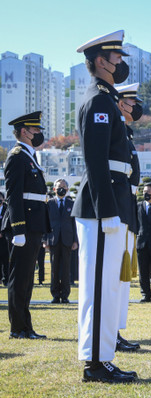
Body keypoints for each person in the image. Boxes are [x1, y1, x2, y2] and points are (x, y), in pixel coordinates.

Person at [72, 30, 137, 383]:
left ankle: (103, 355)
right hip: (101, 207)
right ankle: (95, 362)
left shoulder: (107, 99)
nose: (121, 63)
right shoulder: (98, 100)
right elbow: (95, 160)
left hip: (112, 201)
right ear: (101, 60)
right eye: (117, 57)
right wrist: (107, 210)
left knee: (109, 285)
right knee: (98, 286)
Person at [2, 111, 51, 340]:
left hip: (33, 225)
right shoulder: (16, 156)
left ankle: (26, 326)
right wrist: (19, 229)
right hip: (23, 227)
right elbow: (13, 196)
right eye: (36, 130)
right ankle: (18, 328)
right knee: (19, 278)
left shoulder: (29, 156)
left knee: (27, 279)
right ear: (24, 131)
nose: (40, 133)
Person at [114, 81, 143, 352]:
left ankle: (116, 331)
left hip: (127, 208)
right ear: (121, 104)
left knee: (124, 278)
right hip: (119, 208)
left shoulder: (127, 134)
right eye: (132, 102)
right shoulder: (116, 133)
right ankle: (110, 332)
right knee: (116, 276)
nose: (136, 107)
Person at [45, 179, 78, 303]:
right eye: (59, 187)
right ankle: (55, 294)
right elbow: (45, 222)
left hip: (67, 240)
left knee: (66, 268)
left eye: (64, 186)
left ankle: (65, 295)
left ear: (68, 189)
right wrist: (45, 240)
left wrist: (75, 240)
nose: (61, 189)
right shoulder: (49, 204)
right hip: (53, 239)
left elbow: (75, 224)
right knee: (54, 268)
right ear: (54, 189)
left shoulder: (71, 204)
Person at [0, 192, 9, 286]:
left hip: (4, 239)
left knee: (5, 260)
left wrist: (2, 233)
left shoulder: (7, 209)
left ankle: (6, 279)